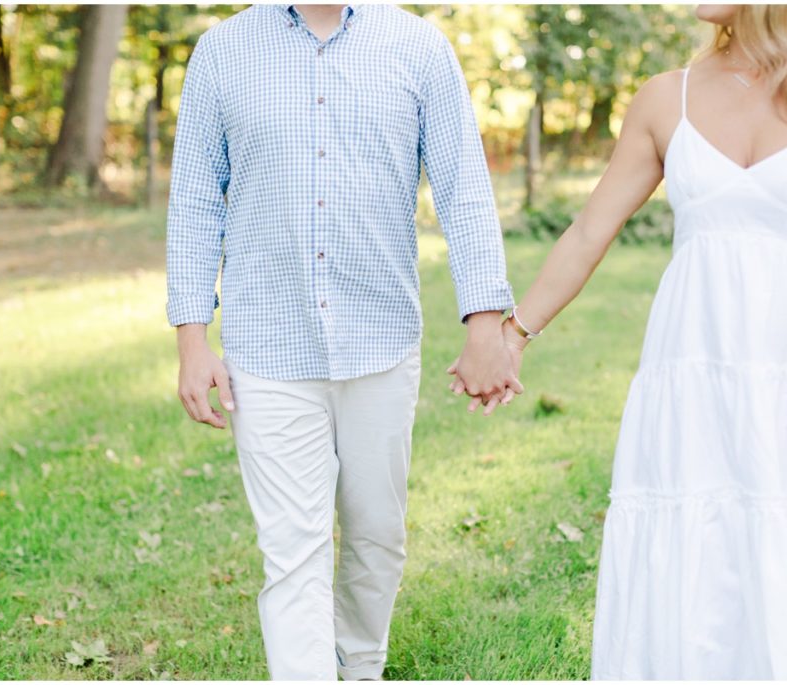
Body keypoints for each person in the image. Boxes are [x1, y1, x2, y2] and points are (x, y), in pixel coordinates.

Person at [455, 4, 787, 679]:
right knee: (697, 539)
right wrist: (513, 333)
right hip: (691, 369)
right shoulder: (663, 97)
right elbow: (591, 229)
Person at [165, 4, 521, 680]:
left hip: (381, 340)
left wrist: (484, 320)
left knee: (376, 534)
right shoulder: (222, 52)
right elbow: (193, 201)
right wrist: (192, 337)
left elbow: (464, 188)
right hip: (266, 347)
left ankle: (360, 665)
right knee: (292, 550)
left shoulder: (419, 47)